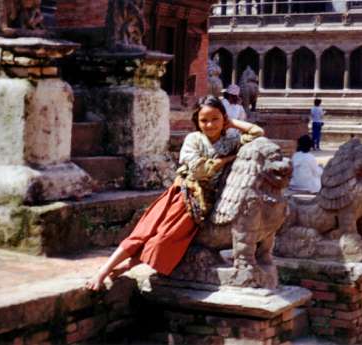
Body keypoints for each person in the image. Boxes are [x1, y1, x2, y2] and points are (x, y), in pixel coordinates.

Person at [86, 96, 264, 290]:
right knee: (142, 233)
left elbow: (257, 132)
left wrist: (232, 123)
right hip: (182, 196)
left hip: (202, 204)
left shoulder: (231, 139)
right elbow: (199, 170)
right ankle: (103, 271)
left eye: (216, 119)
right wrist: (227, 159)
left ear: (224, 119)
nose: (210, 124)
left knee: (162, 243)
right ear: (196, 122)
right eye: (204, 120)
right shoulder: (193, 139)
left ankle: (124, 267)